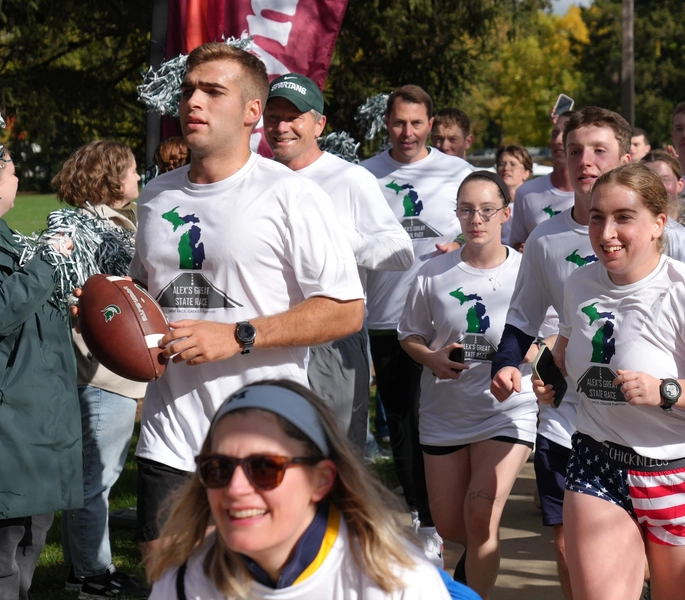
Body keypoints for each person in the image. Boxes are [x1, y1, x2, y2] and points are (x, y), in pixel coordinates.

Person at [127, 42, 365, 559]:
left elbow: (346, 308)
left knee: (256, 586)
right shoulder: (156, 196)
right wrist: (107, 313)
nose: (194, 101)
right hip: (168, 438)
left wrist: (239, 336)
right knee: (169, 584)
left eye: (213, 91)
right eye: (190, 89)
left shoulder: (291, 195)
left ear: (252, 113)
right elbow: (146, 296)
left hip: (263, 438)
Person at [534, 162, 685, 600]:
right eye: (597, 217)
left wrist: (667, 391)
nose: (606, 233)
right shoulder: (579, 282)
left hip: (680, 474)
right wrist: (551, 381)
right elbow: (566, 351)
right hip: (596, 463)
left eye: (623, 217)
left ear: (659, 223)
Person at [491, 106, 632, 599]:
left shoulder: (665, 235)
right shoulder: (547, 238)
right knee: (572, 546)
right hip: (564, 414)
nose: (585, 161)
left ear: (627, 156)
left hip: (642, 419)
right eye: (575, 151)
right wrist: (506, 363)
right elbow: (522, 318)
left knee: (630, 551)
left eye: (599, 150)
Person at [146, 380, 452, 599]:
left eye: (264, 468)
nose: (235, 488)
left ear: (321, 480)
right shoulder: (184, 583)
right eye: (218, 468)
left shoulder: (397, 584)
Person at [400, 172, 537, 598]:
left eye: (486, 210)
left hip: (507, 408)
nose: (475, 219)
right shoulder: (433, 272)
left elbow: (553, 335)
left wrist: (516, 360)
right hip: (445, 411)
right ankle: (466, 578)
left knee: (480, 519)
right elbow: (411, 334)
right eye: (465, 209)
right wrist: (431, 359)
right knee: (451, 526)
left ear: (505, 214)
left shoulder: (527, 272)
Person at [262, 72, 414, 452]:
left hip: (331, 337)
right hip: (269, 335)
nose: (281, 127)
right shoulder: (255, 178)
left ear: (319, 124)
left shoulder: (350, 179)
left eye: (293, 117)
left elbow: (400, 251)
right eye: (273, 117)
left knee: (334, 459)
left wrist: (336, 241)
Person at [362, 85, 475, 566]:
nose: (406, 133)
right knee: (404, 422)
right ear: (386, 124)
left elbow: (490, 227)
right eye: (397, 123)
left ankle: (459, 514)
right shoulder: (364, 175)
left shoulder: (459, 173)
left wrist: (465, 243)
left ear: (431, 124)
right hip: (385, 321)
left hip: (445, 321)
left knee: (452, 421)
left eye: (416, 123)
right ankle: (422, 519)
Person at [49, 141, 149, 598]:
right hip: (103, 373)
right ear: (111, 178)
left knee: (85, 477)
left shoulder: (85, 224)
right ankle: (92, 574)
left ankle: (78, 568)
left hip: (87, 371)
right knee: (98, 479)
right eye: (131, 171)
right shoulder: (100, 232)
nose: (138, 178)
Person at [0, 144, 82, 600]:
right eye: (12, 167)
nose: (17, 177)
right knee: (5, 558)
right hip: (11, 431)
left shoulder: (8, 234)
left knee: (28, 547)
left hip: (38, 425)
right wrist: (47, 264)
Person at [508, 112, 576, 251]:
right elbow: (516, 245)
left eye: (566, 134)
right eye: (554, 134)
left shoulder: (597, 193)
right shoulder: (526, 193)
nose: (558, 140)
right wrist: (524, 249)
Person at [640, 150, 685, 274]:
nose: (657, 186)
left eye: (665, 179)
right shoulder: (635, 233)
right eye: (648, 180)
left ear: (680, 184)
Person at [495, 144, 532, 245]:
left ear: (526, 173)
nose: (506, 168)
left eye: (513, 164)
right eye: (501, 164)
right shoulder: (490, 203)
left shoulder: (532, 204)